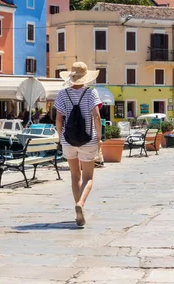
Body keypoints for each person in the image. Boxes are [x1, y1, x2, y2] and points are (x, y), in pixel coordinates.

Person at [55, 62, 102, 227]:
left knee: (75, 175)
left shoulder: (62, 94)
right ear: (85, 78)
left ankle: (78, 210)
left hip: (68, 140)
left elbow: (59, 119)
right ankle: (80, 204)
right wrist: (99, 136)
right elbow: (96, 116)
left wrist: (61, 138)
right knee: (88, 177)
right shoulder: (91, 93)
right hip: (88, 139)